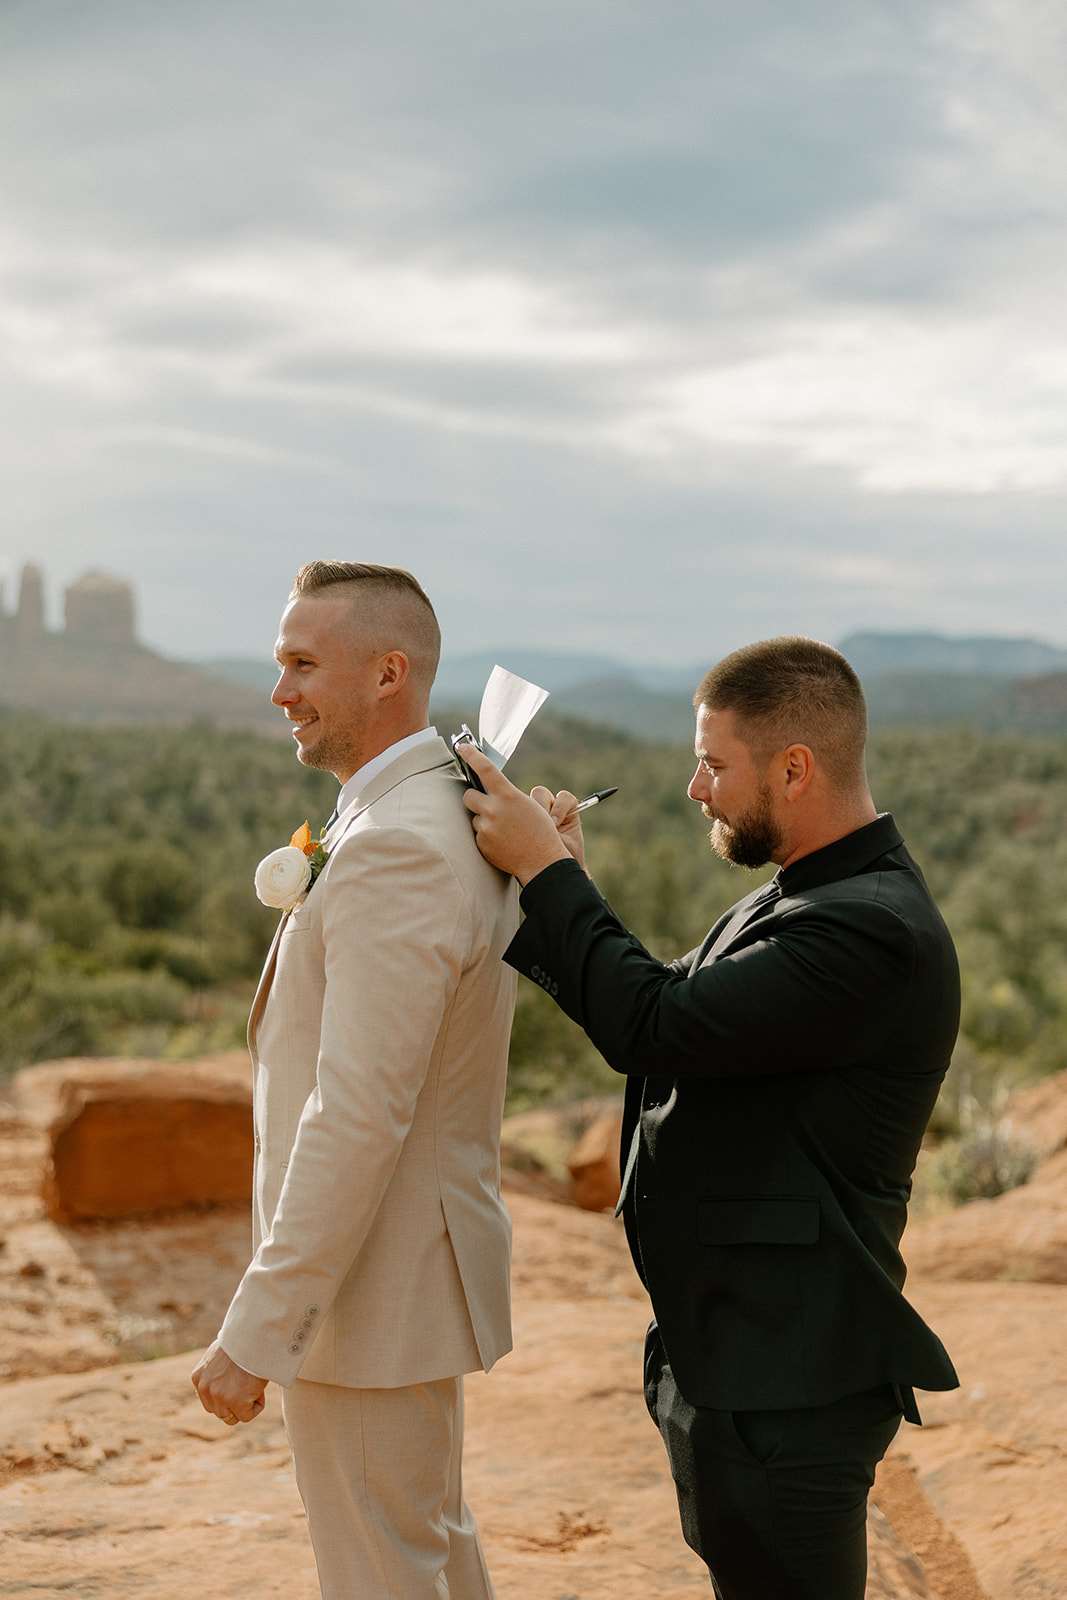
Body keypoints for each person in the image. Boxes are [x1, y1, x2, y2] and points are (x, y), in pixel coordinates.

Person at [460, 635, 960, 1600]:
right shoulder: (797, 898)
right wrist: (563, 874)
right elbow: (658, 1010)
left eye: (712, 763)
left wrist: (546, 876)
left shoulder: (869, 930)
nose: (695, 788)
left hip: (791, 1380)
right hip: (739, 1360)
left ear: (794, 768)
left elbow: (655, 1024)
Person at [192, 561, 518, 1600]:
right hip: (393, 1284)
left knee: (382, 1577)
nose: (280, 690)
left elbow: (359, 1112)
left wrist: (260, 1325)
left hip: (372, 1293)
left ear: (389, 673)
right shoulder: (432, 811)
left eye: (301, 663)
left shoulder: (400, 847)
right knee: (423, 1554)